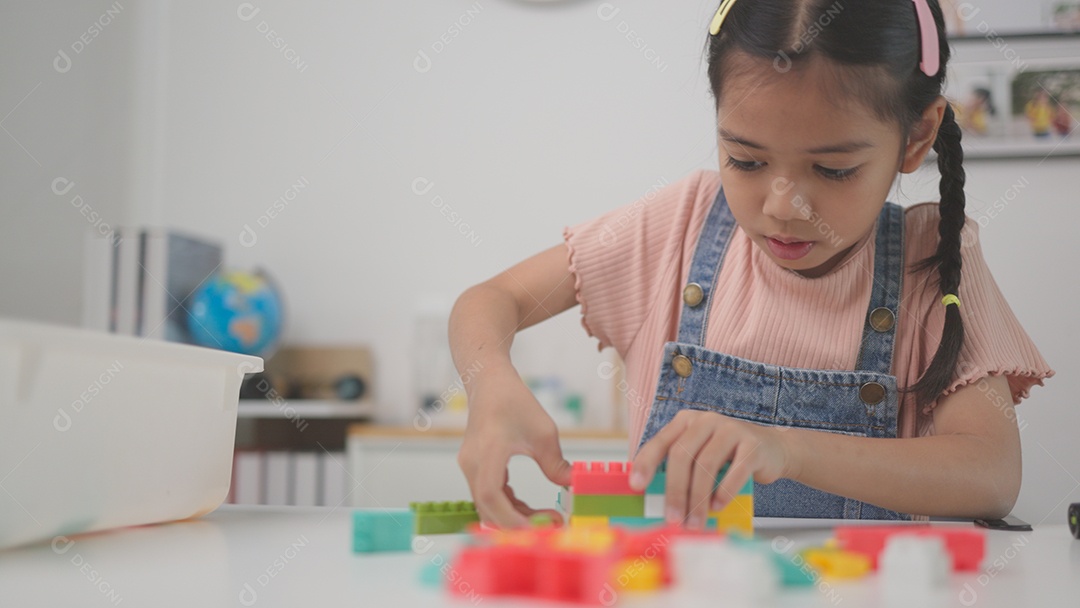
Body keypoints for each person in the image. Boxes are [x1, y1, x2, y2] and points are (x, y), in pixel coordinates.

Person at [449, 0, 1052, 529]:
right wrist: (490, 382)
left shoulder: (934, 256)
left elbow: (991, 474)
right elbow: (488, 300)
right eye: (745, 160)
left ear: (917, 137)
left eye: (833, 169)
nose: (782, 207)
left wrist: (786, 449)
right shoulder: (678, 226)